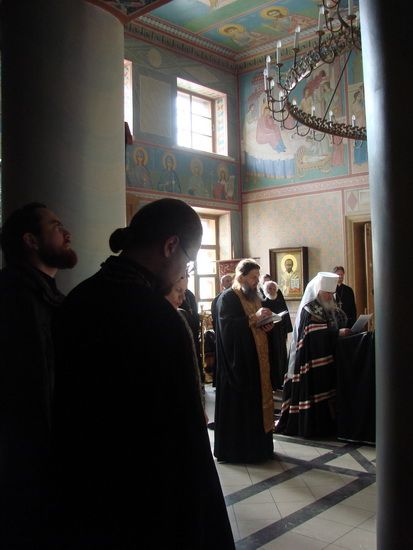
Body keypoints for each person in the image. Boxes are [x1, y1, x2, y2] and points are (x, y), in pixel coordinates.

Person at [51, 198, 234, 548]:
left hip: (82, 488)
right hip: (146, 498)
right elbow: (184, 436)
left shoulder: (77, 299)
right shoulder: (160, 318)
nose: (182, 274)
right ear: (170, 246)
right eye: (187, 262)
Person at [0, 202, 77, 546]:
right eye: (56, 226)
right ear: (31, 241)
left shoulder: (43, 293)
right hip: (32, 462)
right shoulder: (16, 298)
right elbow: (33, 387)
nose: (67, 234)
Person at [214, 259, 275, 463]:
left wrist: (266, 324)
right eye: (253, 277)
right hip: (239, 364)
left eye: (257, 277)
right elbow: (228, 329)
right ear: (241, 277)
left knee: (257, 404)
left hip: (256, 362)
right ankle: (241, 452)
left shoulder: (254, 297)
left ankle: (261, 448)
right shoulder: (228, 298)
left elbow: (255, 324)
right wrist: (254, 319)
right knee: (242, 407)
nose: (257, 281)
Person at [275, 272, 351, 438]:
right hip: (311, 359)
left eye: (332, 293)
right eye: (327, 293)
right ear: (318, 291)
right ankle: (313, 427)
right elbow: (312, 334)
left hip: (328, 357)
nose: (330, 296)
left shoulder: (330, 305)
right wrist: (336, 333)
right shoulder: (310, 308)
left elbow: (337, 322)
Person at [261, 280, 293, 390]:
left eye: (274, 288)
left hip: (280, 333)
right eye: (269, 288)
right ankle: (273, 383)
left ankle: (282, 381)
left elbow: (286, 316)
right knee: (272, 358)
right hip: (269, 334)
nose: (272, 290)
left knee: (282, 356)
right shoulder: (263, 303)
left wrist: (286, 331)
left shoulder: (280, 301)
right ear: (265, 290)